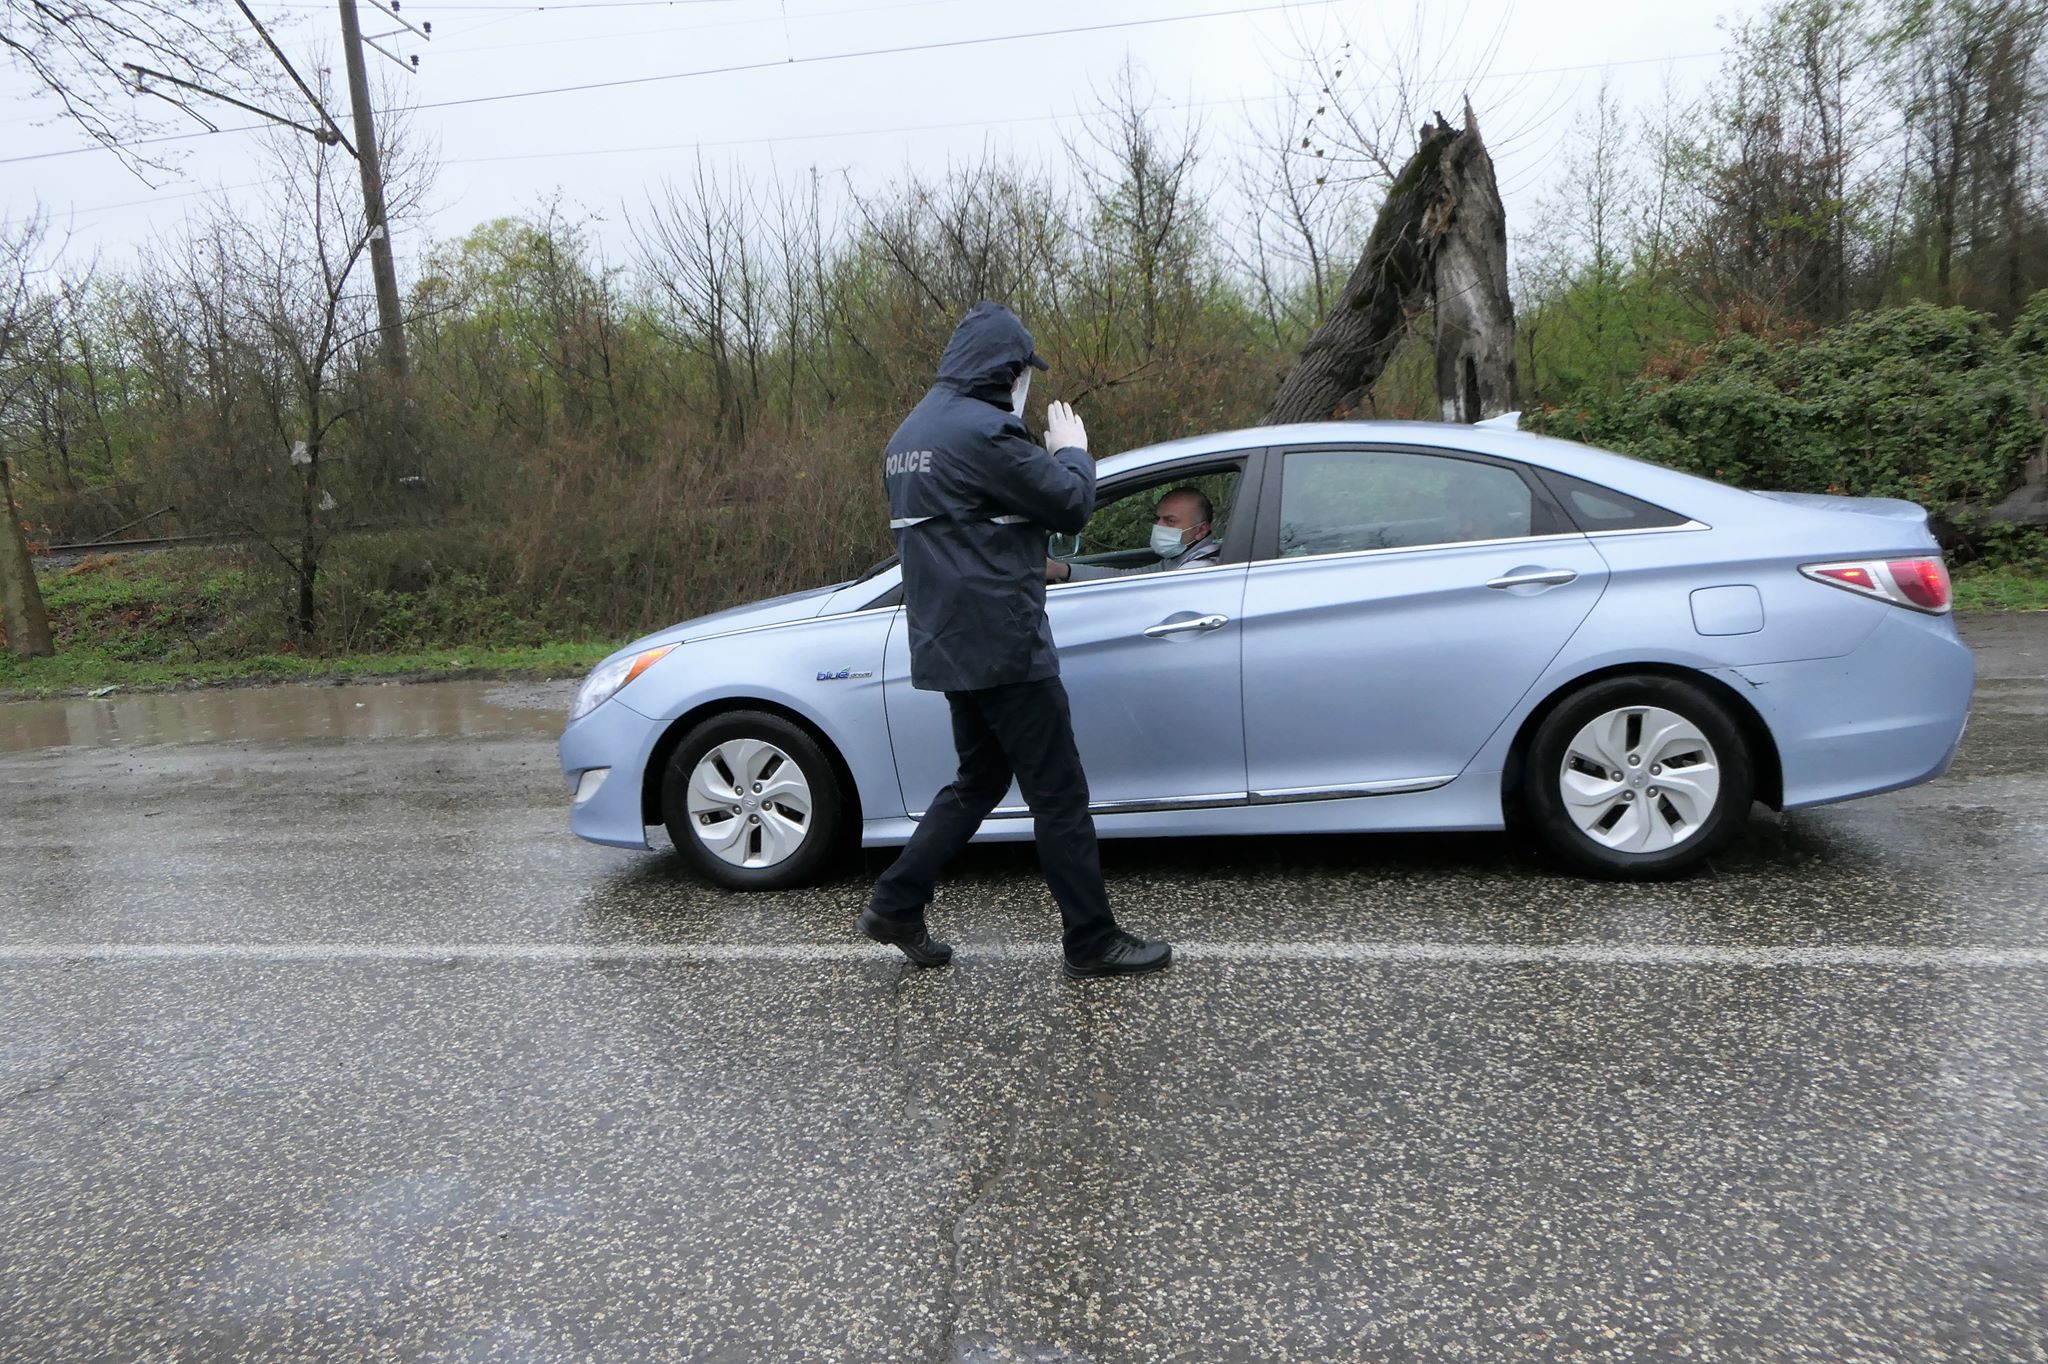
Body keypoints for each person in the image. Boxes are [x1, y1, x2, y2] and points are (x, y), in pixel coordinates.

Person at [856, 301, 1173, 981]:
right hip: (1005, 643)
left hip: (947, 641)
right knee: (1059, 794)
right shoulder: (986, 432)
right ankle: (1091, 941)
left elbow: (960, 533)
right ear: (1004, 370)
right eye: (1024, 370)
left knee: (980, 779)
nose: (1025, 383)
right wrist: (1075, 454)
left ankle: (897, 899)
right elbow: (1071, 503)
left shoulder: (907, 437)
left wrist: (1031, 560)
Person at [1046, 486, 1220, 583]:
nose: (1158, 526)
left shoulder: (1196, 572)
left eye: (1170, 521)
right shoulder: (1180, 560)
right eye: (1157, 519)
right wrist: (1062, 570)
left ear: (1200, 530)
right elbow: (1124, 578)